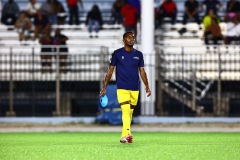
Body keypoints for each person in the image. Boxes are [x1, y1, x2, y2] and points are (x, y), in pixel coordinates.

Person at [99, 31, 151, 143]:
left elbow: (142, 71)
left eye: (133, 37)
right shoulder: (117, 54)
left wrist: (147, 86)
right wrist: (105, 87)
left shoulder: (139, 55)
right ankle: (125, 135)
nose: (131, 39)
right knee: (126, 110)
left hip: (135, 89)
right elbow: (110, 71)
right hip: (122, 88)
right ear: (123, 40)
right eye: (129, 37)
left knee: (130, 113)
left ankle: (128, 133)